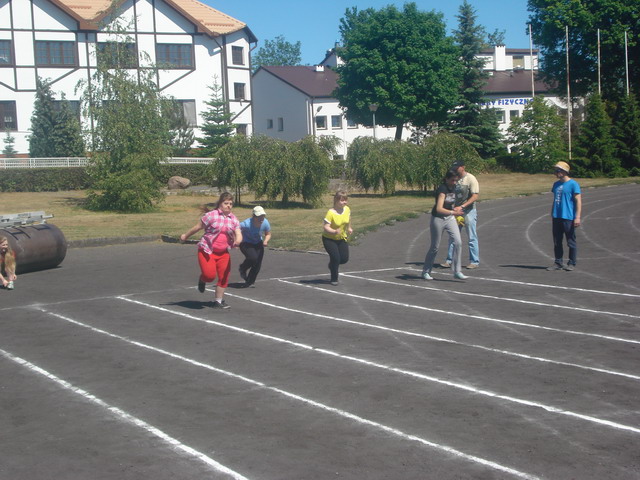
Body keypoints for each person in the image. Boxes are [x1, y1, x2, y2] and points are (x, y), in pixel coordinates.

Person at [180, 192, 242, 309]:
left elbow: (238, 233)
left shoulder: (233, 219)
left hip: (223, 253)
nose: (229, 206)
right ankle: (202, 279)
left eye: (231, 204)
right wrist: (185, 236)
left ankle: (218, 301)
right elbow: (197, 227)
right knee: (209, 276)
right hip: (207, 250)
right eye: (226, 203)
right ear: (220, 204)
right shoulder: (211, 215)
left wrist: (238, 241)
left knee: (224, 277)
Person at [422, 170, 467, 281]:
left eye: (456, 180)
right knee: (435, 247)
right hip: (438, 218)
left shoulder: (455, 188)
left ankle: (457, 271)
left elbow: (452, 203)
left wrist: (456, 209)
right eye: (452, 180)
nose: (454, 182)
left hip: (449, 217)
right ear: (446, 179)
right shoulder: (442, 189)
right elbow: (439, 208)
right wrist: (453, 212)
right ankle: (426, 271)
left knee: (458, 242)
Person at [442, 160, 480, 269]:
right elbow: (450, 193)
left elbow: (475, 196)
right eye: (454, 167)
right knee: (453, 236)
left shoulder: (470, 178)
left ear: (462, 167)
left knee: (471, 236)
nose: (455, 169)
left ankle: (474, 261)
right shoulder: (454, 179)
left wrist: (463, 206)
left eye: (457, 167)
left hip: (468, 211)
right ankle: (449, 260)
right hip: (455, 211)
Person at [548, 161, 582, 271]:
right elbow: (555, 200)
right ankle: (558, 262)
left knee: (570, 241)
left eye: (557, 171)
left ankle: (572, 262)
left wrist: (577, 217)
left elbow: (578, 201)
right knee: (557, 241)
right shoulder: (556, 184)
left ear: (564, 171)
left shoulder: (573, 184)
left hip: (568, 217)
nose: (555, 173)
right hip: (557, 216)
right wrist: (552, 212)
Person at [322, 190, 353, 286]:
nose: (345, 202)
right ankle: (334, 278)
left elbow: (348, 219)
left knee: (343, 259)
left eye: (346, 200)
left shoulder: (347, 209)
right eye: (342, 200)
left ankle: (331, 265)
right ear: (336, 200)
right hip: (329, 239)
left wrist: (349, 227)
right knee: (336, 258)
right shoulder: (331, 212)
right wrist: (334, 231)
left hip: (341, 238)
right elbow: (326, 226)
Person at [238, 206, 271, 287]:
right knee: (253, 258)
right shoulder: (246, 224)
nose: (261, 218)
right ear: (254, 216)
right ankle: (242, 268)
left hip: (258, 243)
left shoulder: (265, 222)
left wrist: (266, 241)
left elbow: (268, 234)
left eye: (263, 216)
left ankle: (250, 281)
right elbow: (236, 229)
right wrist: (236, 239)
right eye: (259, 216)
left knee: (258, 263)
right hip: (246, 243)